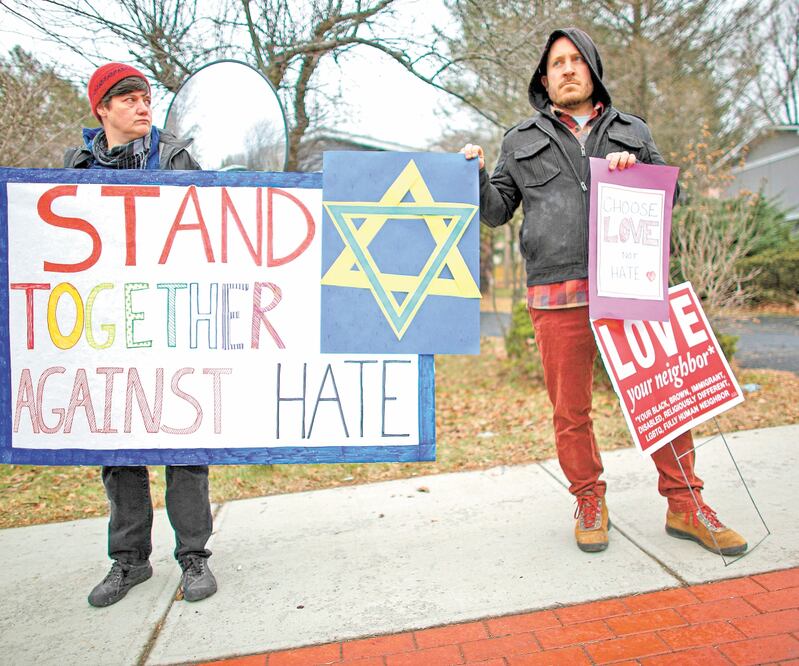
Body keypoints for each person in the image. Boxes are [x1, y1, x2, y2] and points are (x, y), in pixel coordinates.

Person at [462, 28, 747, 556]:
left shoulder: (632, 130)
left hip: (630, 286)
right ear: (544, 77)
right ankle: (589, 500)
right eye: (557, 63)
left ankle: (686, 505)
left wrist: (637, 172)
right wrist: (475, 175)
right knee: (571, 412)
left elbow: (672, 197)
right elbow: (496, 211)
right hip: (556, 292)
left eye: (576, 60)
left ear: (592, 70)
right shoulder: (519, 139)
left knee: (663, 398)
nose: (567, 69)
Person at [65, 62, 217, 606]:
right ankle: (129, 561)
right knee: (119, 448)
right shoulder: (78, 166)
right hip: (108, 325)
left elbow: (212, 227)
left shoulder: (176, 158)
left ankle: (194, 556)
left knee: (185, 442)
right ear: (102, 109)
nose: (142, 105)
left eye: (146, 96)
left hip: (171, 322)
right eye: (128, 98)